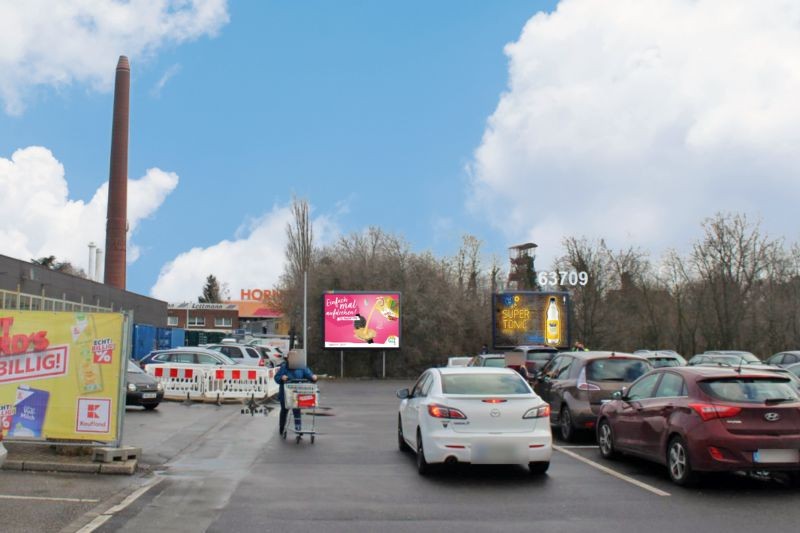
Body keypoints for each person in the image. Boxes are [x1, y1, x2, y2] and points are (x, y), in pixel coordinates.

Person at [274, 349, 318, 435]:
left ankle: (298, 428)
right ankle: (281, 427)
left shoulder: (302, 367)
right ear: (288, 358)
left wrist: (313, 377)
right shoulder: (284, 367)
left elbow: (309, 374)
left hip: (297, 393)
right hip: (285, 394)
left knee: (296, 410)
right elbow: (276, 377)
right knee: (284, 410)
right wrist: (281, 378)